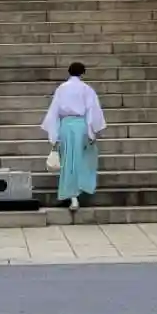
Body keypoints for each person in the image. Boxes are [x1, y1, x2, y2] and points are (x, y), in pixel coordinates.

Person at [42, 62, 106, 213]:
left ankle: (72, 195)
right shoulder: (86, 89)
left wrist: (54, 135)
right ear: (82, 73)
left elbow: (54, 111)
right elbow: (92, 110)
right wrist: (92, 131)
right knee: (82, 159)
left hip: (65, 126)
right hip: (81, 126)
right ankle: (79, 190)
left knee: (68, 161)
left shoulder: (62, 89)